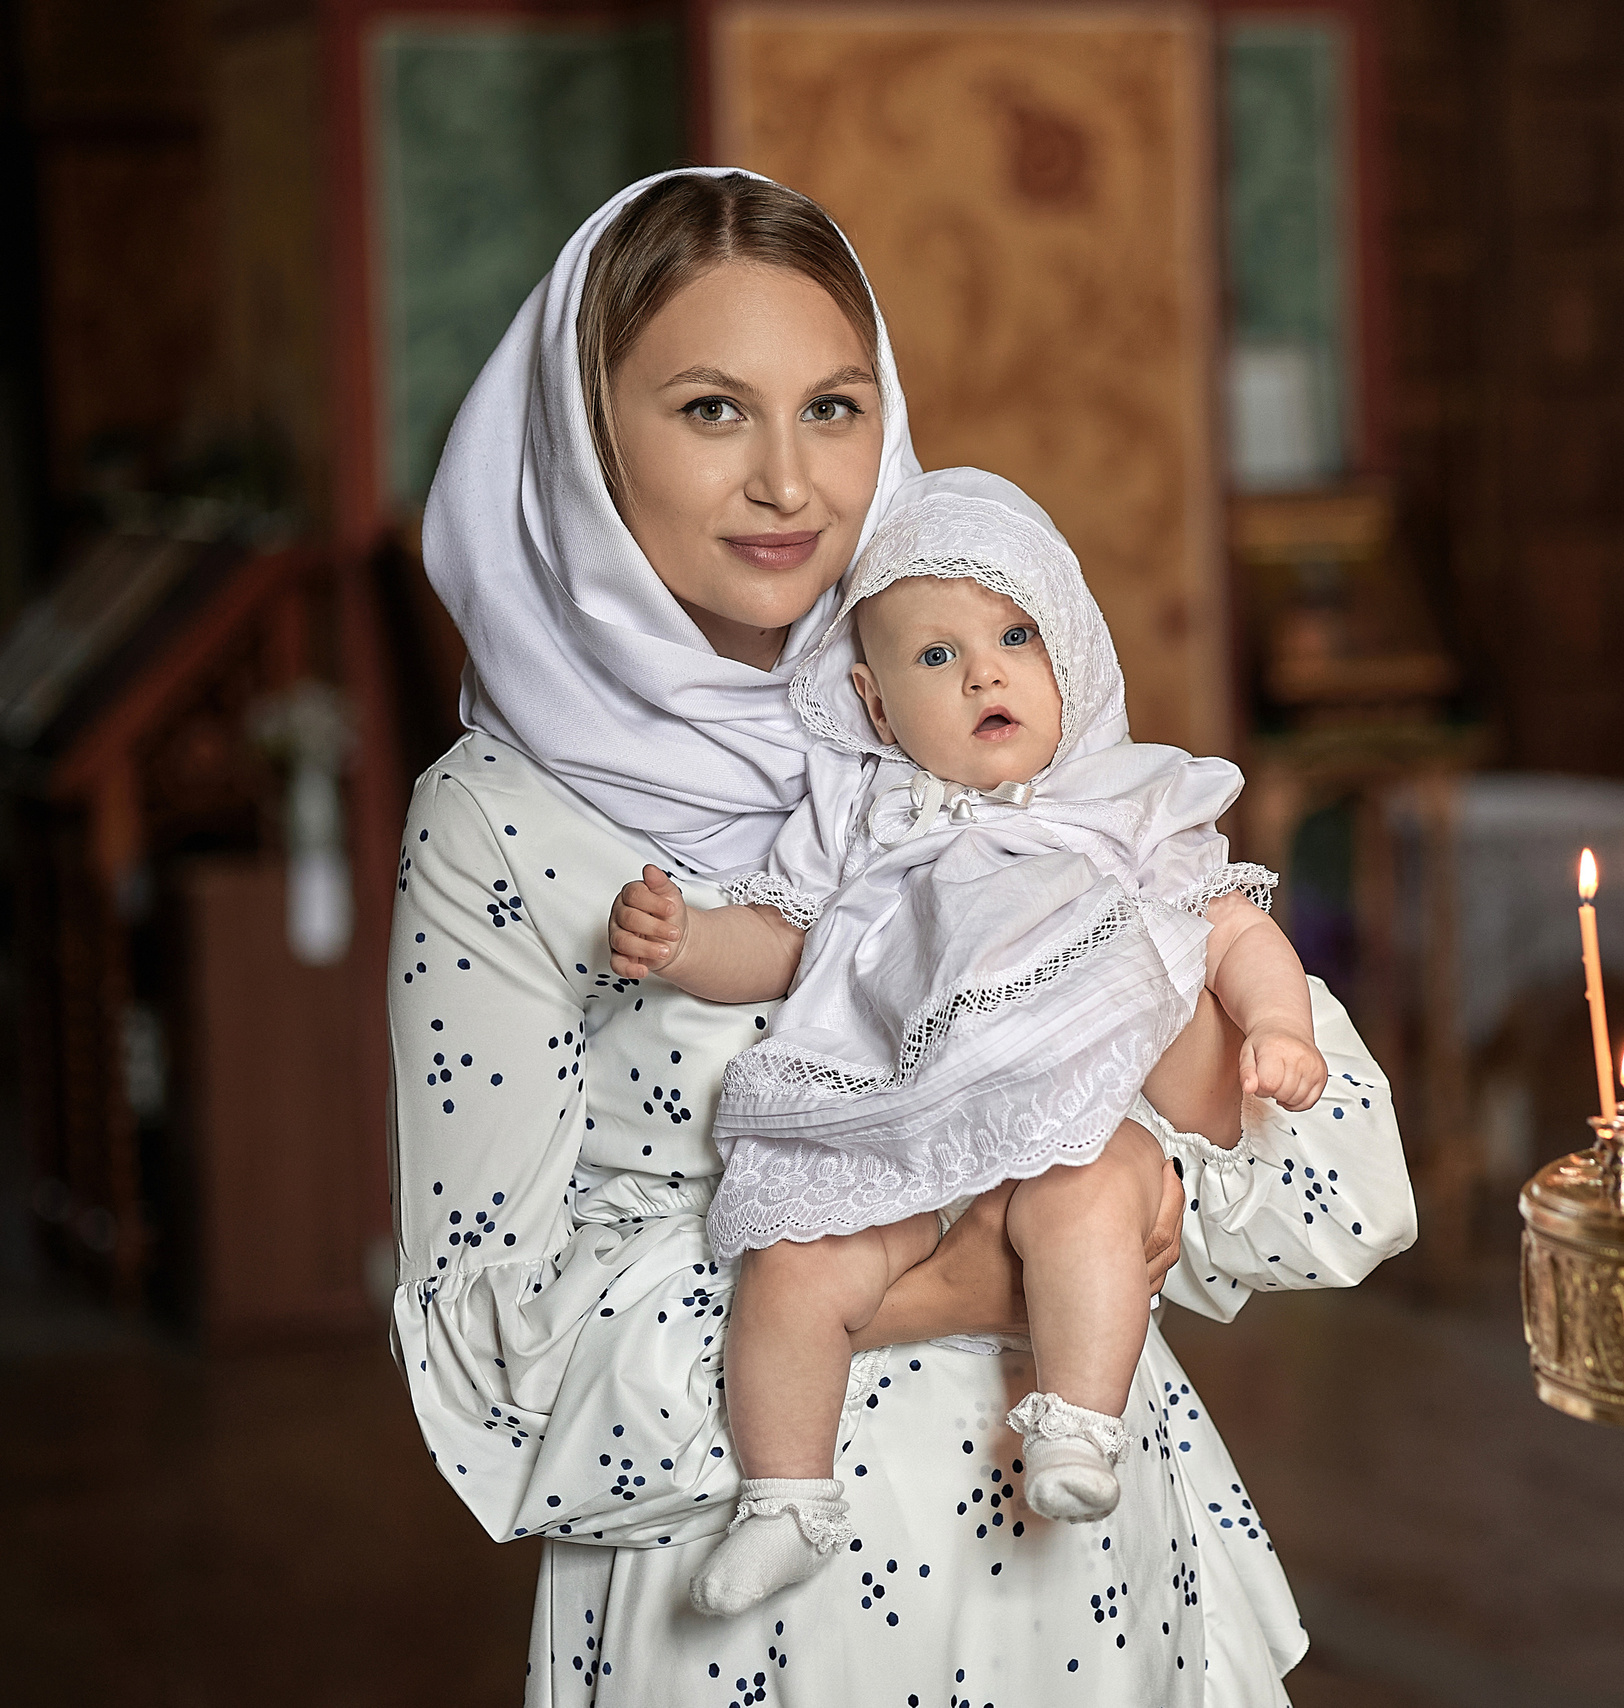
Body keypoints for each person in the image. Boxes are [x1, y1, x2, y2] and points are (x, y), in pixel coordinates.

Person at [393, 166, 1415, 1705]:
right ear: (591, 434)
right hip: (743, 1619)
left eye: (836, 407)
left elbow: (1331, 1196)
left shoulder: (981, 730)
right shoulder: (500, 824)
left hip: (1085, 1580)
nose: (791, 486)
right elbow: (500, 1359)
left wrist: (1156, 1071)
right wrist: (969, 1283)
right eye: (712, 410)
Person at [603, 468, 1329, 1614]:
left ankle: (1081, 1423)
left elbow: (1232, 924)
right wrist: (690, 939)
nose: (984, 669)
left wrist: (1279, 1025)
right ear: (879, 708)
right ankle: (784, 1495)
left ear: (1070, 654)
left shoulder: (1124, 804)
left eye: (1013, 635)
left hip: (1068, 1118)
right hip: (892, 1124)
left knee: (1087, 1206)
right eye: (935, 657)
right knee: (793, 1265)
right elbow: (785, 941)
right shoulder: (867, 816)